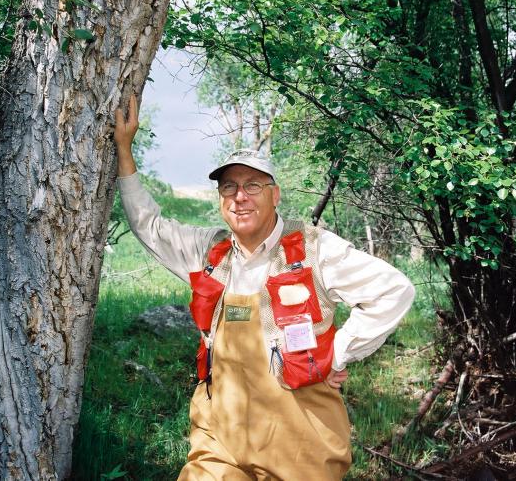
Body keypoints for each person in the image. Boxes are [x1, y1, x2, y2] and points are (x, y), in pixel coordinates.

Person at [114, 96, 415, 480]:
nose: (240, 197)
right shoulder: (212, 252)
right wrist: (124, 149)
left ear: (275, 195)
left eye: (253, 185)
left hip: (301, 444)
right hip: (220, 440)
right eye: (229, 187)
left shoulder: (315, 249)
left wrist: (337, 355)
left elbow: (394, 290)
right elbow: (149, 227)